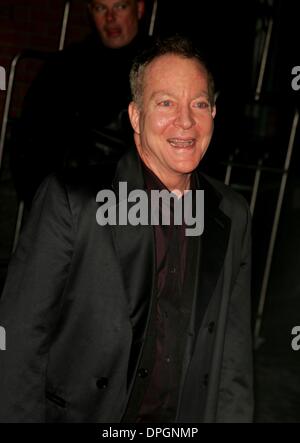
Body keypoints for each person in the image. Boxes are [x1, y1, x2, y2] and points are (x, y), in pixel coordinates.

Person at [0, 36, 254, 423]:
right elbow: (18, 343)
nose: (185, 121)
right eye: (166, 102)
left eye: (199, 104)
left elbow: (232, 357)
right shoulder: (72, 202)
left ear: (214, 113)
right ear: (136, 116)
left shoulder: (231, 213)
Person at [10, 0, 148, 207]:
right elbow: (29, 135)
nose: (110, 18)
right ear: (90, 12)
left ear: (139, 8)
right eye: (101, 8)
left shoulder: (157, 70)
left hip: (121, 210)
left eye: (120, 7)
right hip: (57, 203)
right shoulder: (63, 66)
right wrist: (37, 196)